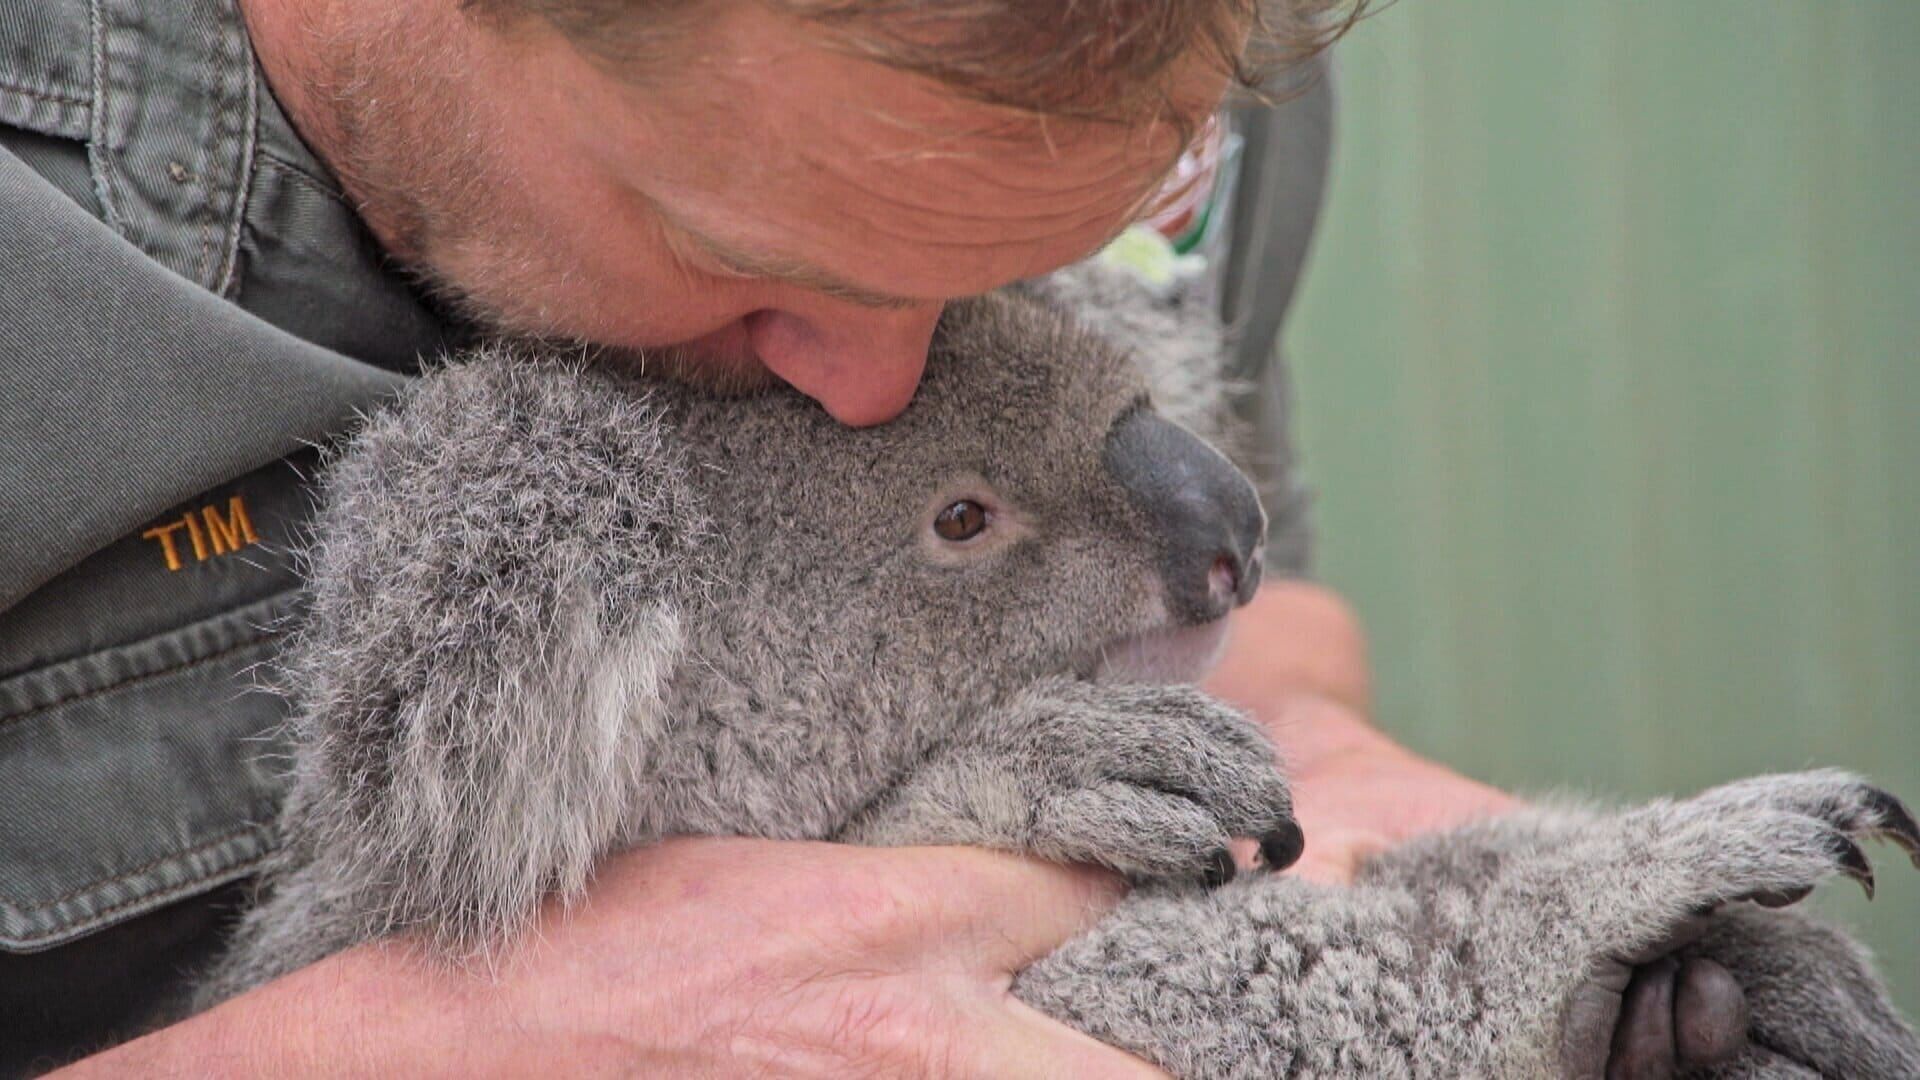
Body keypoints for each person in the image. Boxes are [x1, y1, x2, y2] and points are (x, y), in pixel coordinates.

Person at [0, 1, 1745, 1075]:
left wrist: (1428, 888)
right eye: (756, 254)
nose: (885, 371)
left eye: (1020, 259)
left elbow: (1252, 612)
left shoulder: (1178, 58)